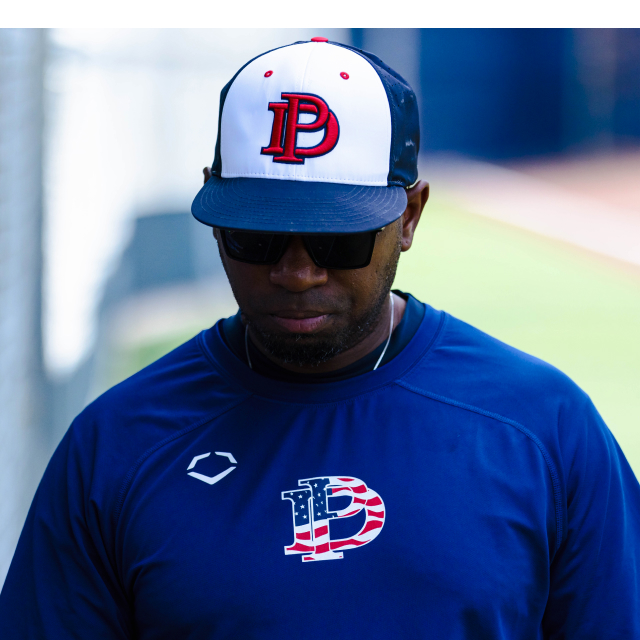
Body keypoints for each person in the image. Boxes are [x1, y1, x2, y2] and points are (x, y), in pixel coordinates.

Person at [1, 38, 639, 640]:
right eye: (257, 236)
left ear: (409, 216)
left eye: (338, 239)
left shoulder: (543, 426)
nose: (297, 272)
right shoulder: (117, 443)